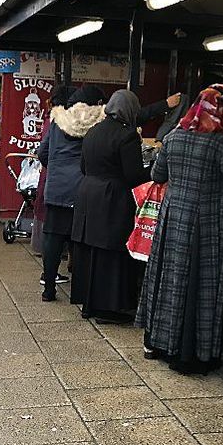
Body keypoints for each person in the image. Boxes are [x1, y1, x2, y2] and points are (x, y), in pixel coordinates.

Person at [136, 84, 223, 373]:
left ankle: (158, 342)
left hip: (173, 219)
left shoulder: (174, 136)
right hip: (206, 224)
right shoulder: (222, 144)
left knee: (169, 279)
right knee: (199, 284)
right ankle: (193, 352)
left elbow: (157, 174)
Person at [71, 90, 151, 323]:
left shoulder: (93, 131)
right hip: (112, 198)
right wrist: (155, 171)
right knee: (110, 254)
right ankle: (109, 309)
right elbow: (134, 175)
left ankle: (89, 304)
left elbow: (84, 166)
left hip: (87, 194)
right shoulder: (127, 136)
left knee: (90, 251)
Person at [36, 84, 106, 302]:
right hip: (82, 190)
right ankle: (81, 292)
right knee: (81, 241)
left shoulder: (58, 121)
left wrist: (56, 168)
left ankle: (48, 289)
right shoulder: (95, 124)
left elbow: (42, 152)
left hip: (56, 188)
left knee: (53, 240)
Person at [31, 85, 73, 257]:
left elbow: (43, 151)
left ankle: (47, 261)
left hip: (50, 175)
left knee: (48, 218)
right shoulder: (65, 122)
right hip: (62, 179)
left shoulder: (51, 119)